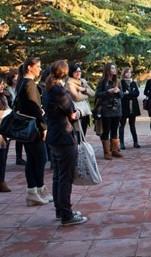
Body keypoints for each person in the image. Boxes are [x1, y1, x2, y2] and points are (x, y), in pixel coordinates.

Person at [42, 60, 88, 226]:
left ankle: (60, 210)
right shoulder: (58, 90)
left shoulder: (49, 88)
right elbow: (72, 113)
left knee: (58, 175)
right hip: (63, 136)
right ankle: (67, 214)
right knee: (65, 177)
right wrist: (77, 113)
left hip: (55, 136)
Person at [17, 57, 51, 206]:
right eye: (37, 66)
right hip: (33, 127)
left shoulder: (22, 83)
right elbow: (34, 107)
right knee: (40, 159)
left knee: (33, 159)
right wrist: (43, 126)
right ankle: (35, 190)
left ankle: (37, 190)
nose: (39, 69)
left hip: (27, 127)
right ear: (29, 68)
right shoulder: (29, 84)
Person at [96, 63, 123, 160]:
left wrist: (118, 91)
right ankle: (107, 152)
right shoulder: (103, 81)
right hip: (106, 109)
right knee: (106, 130)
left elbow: (122, 95)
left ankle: (115, 150)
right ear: (108, 70)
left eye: (115, 68)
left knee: (115, 130)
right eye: (112, 68)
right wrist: (108, 92)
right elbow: (97, 94)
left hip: (117, 109)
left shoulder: (118, 81)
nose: (114, 70)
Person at [66, 64, 95, 139]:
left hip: (85, 111)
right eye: (76, 72)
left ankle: (81, 148)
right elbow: (76, 97)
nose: (78, 73)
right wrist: (86, 95)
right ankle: (77, 149)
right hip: (77, 111)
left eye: (79, 71)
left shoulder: (83, 82)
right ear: (71, 73)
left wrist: (84, 90)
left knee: (83, 133)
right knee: (77, 133)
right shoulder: (70, 83)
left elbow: (93, 93)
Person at [4, 69, 25, 166]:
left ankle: (19, 157)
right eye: (15, 78)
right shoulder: (6, 91)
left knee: (20, 137)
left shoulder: (20, 89)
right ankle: (3, 158)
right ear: (11, 79)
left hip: (19, 115)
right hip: (10, 115)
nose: (17, 80)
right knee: (7, 138)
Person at [119, 67, 141, 149]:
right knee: (122, 125)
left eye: (130, 73)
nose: (128, 74)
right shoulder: (121, 83)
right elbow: (122, 94)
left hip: (133, 107)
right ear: (124, 74)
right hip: (124, 107)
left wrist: (129, 93)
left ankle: (135, 142)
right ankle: (121, 143)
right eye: (127, 72)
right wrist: (129, 94)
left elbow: (137, 93)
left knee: (132, 125)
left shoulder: (133, 83)